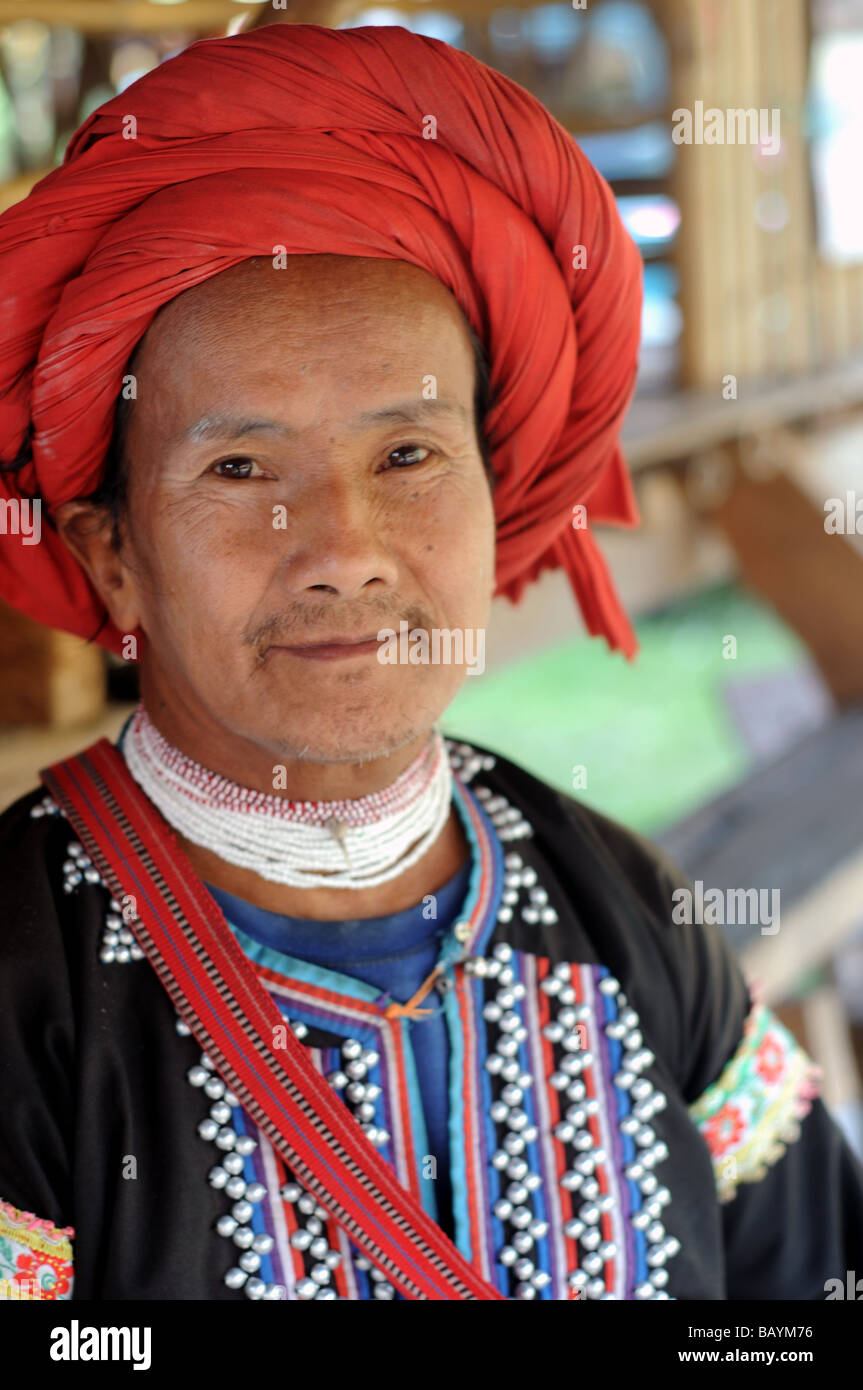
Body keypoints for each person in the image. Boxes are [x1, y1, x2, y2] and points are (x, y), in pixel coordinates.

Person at [0, 22, 861, 1303]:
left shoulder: (625, 911)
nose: (343, 551)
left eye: (406, 456)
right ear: (112, 550)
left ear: (492, 488)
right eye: (240, 470)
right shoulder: (28, 989)